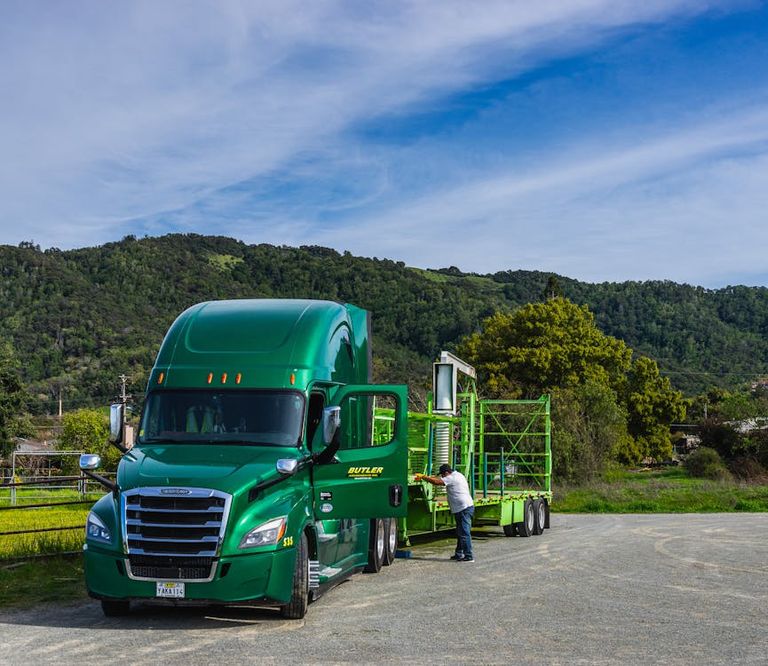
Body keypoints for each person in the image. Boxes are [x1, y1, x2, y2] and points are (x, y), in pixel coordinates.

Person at [415, 463, 475, 562]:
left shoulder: (452, 478)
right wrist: (426, 477)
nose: (442, 477)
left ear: (447, 473)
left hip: (463, 508)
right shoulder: (458, 475)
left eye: (442, 475)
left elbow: (437, 482)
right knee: (461, 532)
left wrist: (424, 477)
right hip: (464, 507)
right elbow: (437, 479)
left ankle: (469, 556)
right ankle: (459, 554)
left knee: (464, 533)